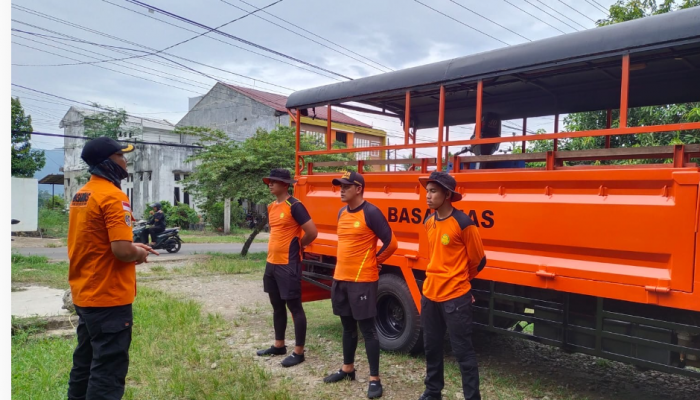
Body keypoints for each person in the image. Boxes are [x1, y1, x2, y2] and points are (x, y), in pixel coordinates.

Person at [67, 136, 159, 400]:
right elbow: (121, 251)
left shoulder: (82, 194)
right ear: (108, 162)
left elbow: (97, 240)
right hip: (108, 296)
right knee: (107, 370)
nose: (125, 160)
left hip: (85, 292)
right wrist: (139, 253)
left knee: (84, 363)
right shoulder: (114, 197)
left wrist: (133, 247)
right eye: (121, 156)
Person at [324, 171, 398, 399]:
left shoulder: (371, 212)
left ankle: (374, 379)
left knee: (367, 330)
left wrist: (375, 261)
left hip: (362, 281)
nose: (341, 190)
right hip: (341, 279)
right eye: (339, 186)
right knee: (347, 327)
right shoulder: (341, 212)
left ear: (359, 188)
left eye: (346, 186)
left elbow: (391, 242)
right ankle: (348, 368)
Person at [417, 171, 486, 400]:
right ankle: (433, 391)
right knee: (432, 347)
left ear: (447, 194)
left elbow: (478, 260)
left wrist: (461, 282)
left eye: (433, 191)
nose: (427, 196)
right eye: (427, 191)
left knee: (463, 352)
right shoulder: (429, 222)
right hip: (430, 295)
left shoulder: (464, 223)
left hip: (455, 299)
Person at [257, 168, 318, 367]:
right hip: (272, 263)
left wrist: (300, 245)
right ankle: (279, 345)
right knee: (276, 306)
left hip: (288, 264)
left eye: (274, 181)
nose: (270, 184)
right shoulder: (271, 206)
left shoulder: (295, 206)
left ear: (285, 184)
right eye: (269, 181)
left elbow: (312, 231)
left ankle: (299, 352)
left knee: (294, 307)